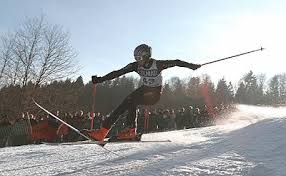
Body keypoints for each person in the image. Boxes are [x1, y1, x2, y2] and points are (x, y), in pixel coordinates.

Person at [86, 44, 201, 141]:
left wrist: (191, 66)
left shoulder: (158, 64)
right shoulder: (135, 66)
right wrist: (100, 79)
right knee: (125, 103)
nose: (137, 60)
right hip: (144, 89)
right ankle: (103, 132)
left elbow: (176, 62)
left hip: (154, 94)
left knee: (132, 101)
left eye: (139, 58)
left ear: (146, 56)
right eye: (136, 57)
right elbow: (118, 73)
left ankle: (130, 130)